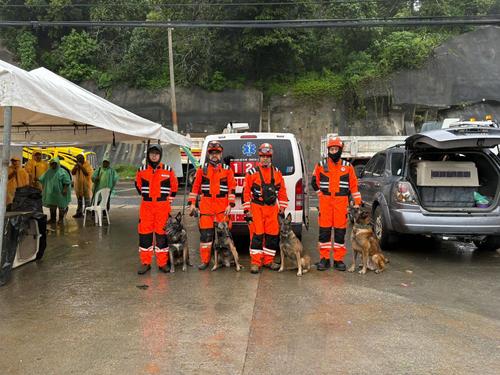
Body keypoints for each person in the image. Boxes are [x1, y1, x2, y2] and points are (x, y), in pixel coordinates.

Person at [311, 136, 362, 271]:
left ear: (340, 150)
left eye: (336, 149)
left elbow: (354, 187)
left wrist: (357, 202)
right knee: (324, 233)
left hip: (341, 203)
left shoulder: (348, 167)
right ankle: (324, 259)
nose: (333, 151)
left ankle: (339, 260)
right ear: (328, 150)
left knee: (340, 233)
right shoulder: (321, 165)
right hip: (326, 203)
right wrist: (320, 195)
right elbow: (313, 182)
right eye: (331, 149)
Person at [187, 141, 236, 270]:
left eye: (217, 153)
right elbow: (195, 188)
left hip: (222, 208)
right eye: (212, 153)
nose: (214, 155)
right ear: (209, 154)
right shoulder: (201, 170)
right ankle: (205, 261)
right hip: (206, 208)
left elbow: (232, 188)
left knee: (225, 236)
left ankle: (226, 259)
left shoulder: (227, 170)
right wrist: (192, 204)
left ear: (221, 154)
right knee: (206, 237)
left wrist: (230, 204)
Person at [243, 143, 288, 274]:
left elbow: (282, 191)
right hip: (257, 208)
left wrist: (283, 207)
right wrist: (247, 211)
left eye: (267, 156)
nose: (265, 159)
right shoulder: (252, 173)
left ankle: (268, 261)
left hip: (272, 208)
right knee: (257, 235)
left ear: (271, 157)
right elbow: (246, 193)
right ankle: (256, 263)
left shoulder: (277, 172)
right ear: (259, 156)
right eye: (262, 156)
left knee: (272, 235)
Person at [135, 145, 178, 274]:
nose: (154, 156)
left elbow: (174, 187)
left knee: (162, 236)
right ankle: (145, 263)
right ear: (148, 155)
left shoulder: (168, 170)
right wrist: (147, 197)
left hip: (162, 208)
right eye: (151, 153)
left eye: (156, 154)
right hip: (146, 208)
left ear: (160, 156)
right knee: (145, 236)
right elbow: (138, 185)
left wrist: (166, 202)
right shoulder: (141, 170)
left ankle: (162, 263)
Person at [39, 157, 72, 224]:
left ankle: (60, 219)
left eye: (55, 164)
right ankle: (53, 219)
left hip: (60, 192)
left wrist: (65, 189)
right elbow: (42, 178)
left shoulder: (62, 171)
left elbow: (67, 181)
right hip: (51, 193)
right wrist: (36, 179)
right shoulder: (49, 171)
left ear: (57, 164)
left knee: (61, 206)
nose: (53, 165)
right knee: (52, 206)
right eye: (52, 164)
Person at [71, 154, 93, 218]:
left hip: (86, 185)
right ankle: (79, 213)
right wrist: (75, 167)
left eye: (80, 159)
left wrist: (81, 167)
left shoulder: (87, 165)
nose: (79, 161)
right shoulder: (77, 165)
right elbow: (73, 173)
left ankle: (87, 214)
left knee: (87, 200)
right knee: (79, 200)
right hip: (78, 186)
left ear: (83, 159)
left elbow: (87, 173)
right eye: (78, 159)